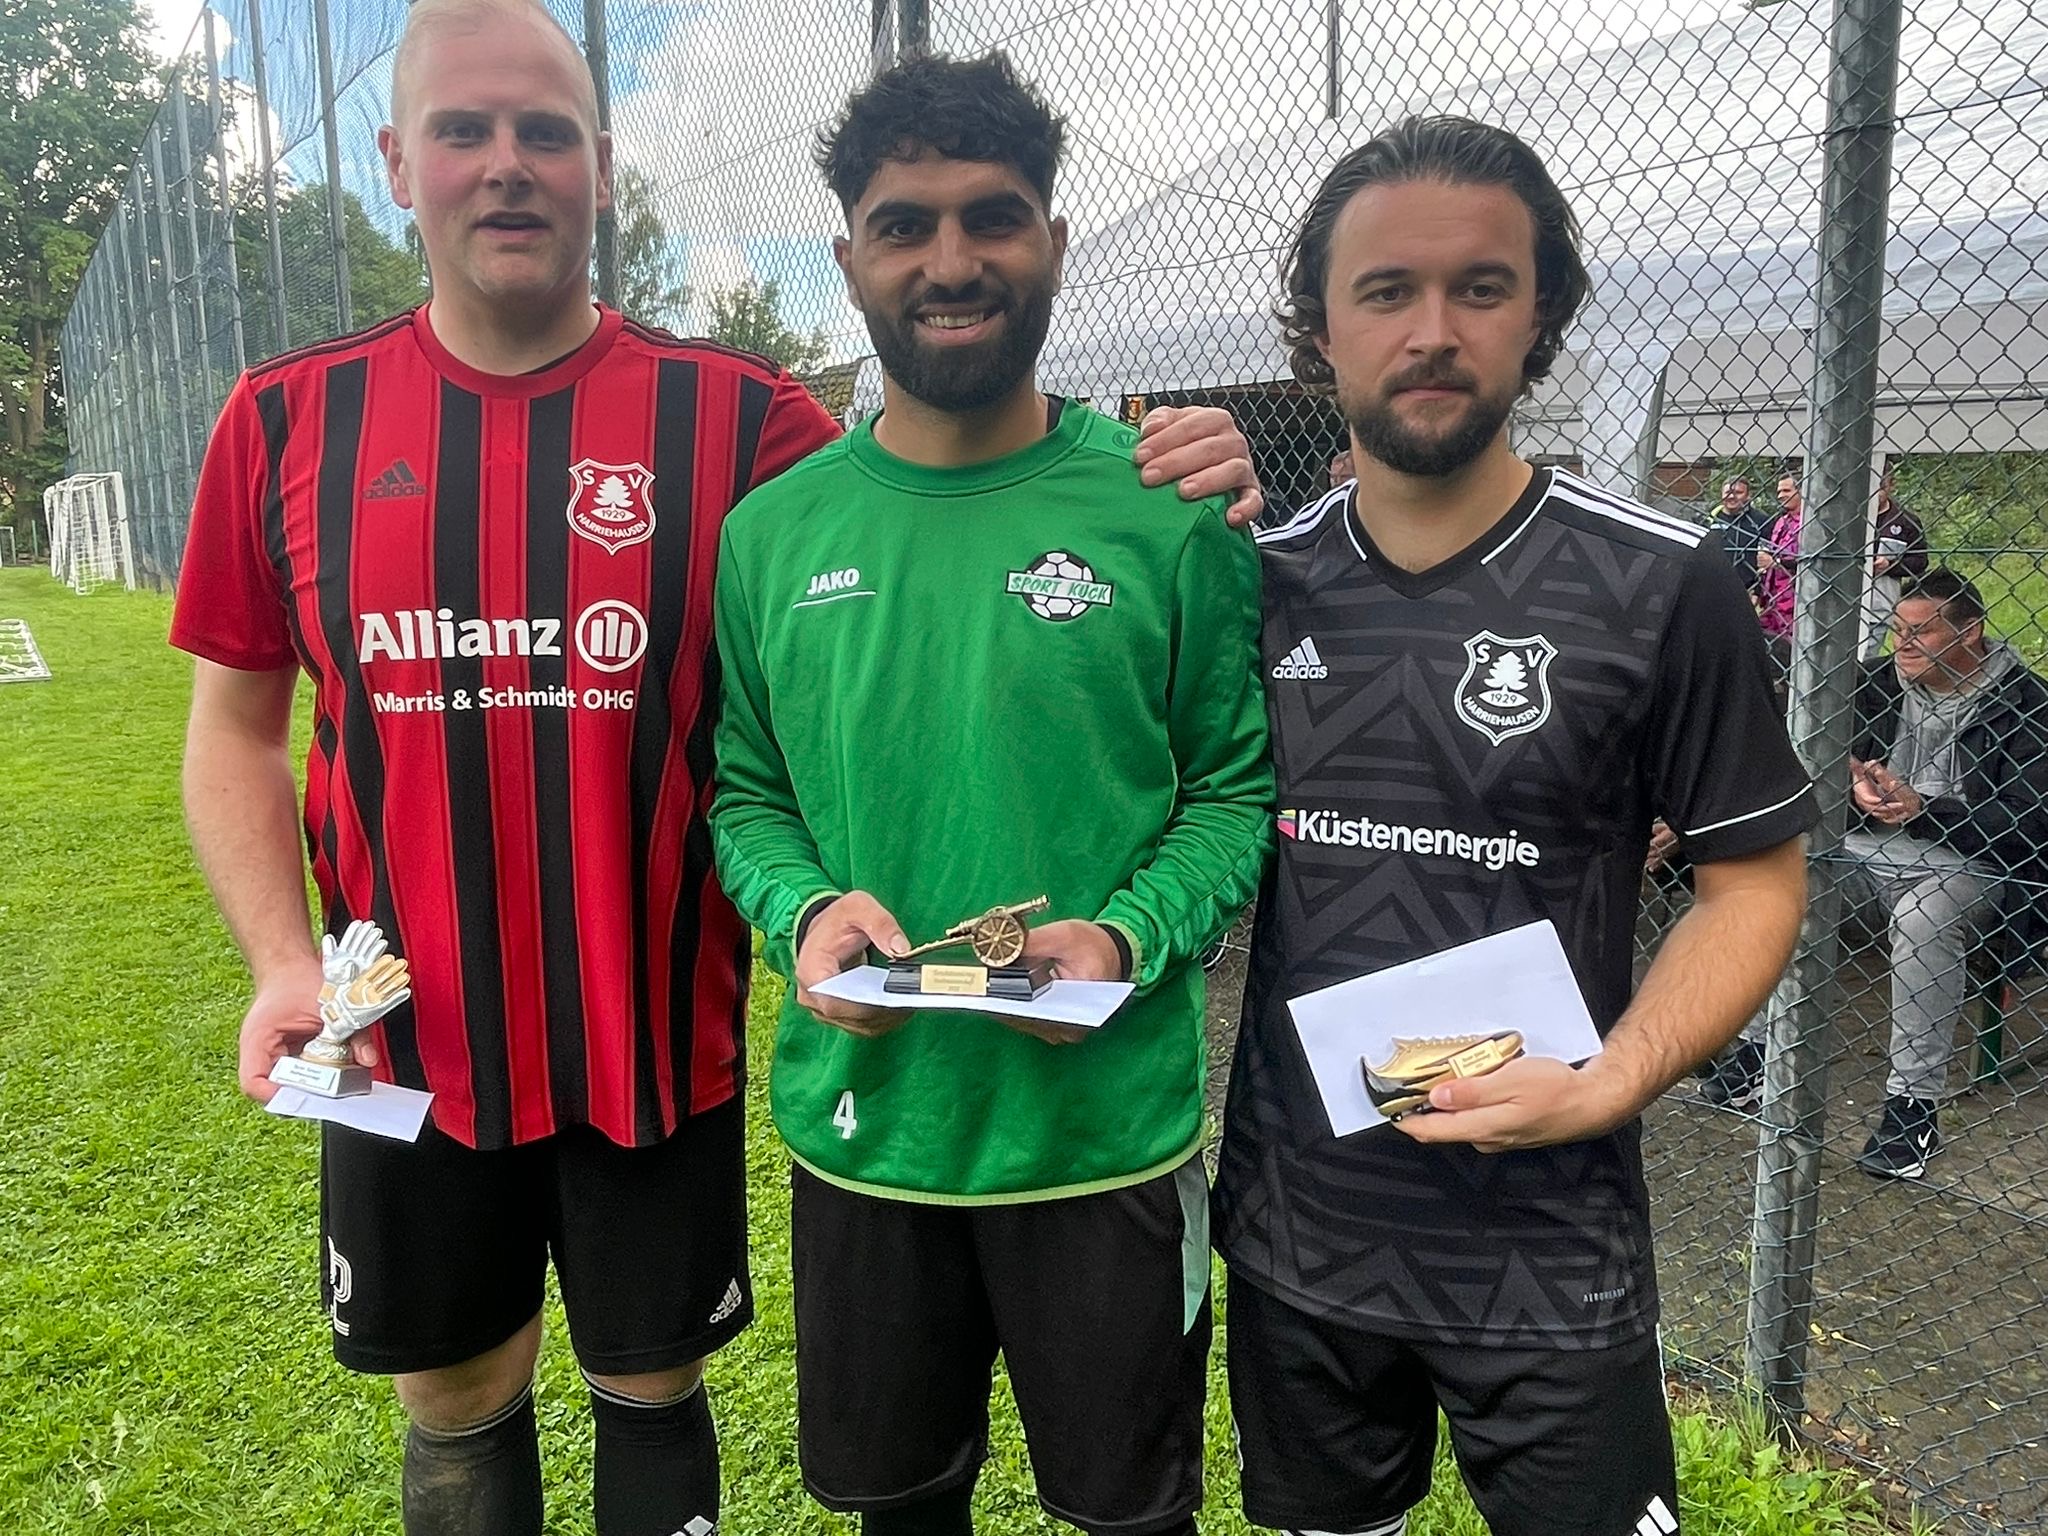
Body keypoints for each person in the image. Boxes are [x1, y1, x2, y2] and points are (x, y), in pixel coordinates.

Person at [167, 4, 1259, 1531]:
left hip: (649, 1037)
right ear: (397, 161)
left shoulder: (746, 424)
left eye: (546, 132)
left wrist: (1192, 461)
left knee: (651, 1379)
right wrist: (283, 964)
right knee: (452, 1398)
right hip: (404, 1034)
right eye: (466, 131)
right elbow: (233, 727)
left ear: (603, 166)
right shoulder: (286, 418)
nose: (507, 164)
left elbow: (936, 476)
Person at [1218, 116, 1815, 1536]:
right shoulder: (1255, 583)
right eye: (1385, 291)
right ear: (1319, 329)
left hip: (1547, 1248)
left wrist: (1613, 1081)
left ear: (1540, 315)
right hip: (1299, 1234)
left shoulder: (1661, 582)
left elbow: (1752, 884)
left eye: (1479, 288)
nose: (1432, 330)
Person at [709, 51, 1273, 1536]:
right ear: (848, 260)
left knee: (1133, 1515)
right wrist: (806, 911)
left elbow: (1231, 794)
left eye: (994, 218)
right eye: (904, 225)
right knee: (901, 1509)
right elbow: (746, 796)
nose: (951, 262)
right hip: (868, 1133)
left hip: (1103, 1138)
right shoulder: (769, 537)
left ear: (1054, 243)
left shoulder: (1168, 511)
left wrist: (1125, 936)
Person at [1703, 569, 2048, 1179]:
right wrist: (1849, 783)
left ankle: (1912, 1110)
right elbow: (1806, 764)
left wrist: (1924, 809)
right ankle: (1759, 1053)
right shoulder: (1872, 683)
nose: (1903, 644)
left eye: (1921, 631)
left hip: (1972, 865)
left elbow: (2028, 824)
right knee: (1786, 872)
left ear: (1971, 632)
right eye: (1896, 630)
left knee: (1926, 914)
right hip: (1865, 851)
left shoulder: (2029, 705)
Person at [1864, 467, 1930, 659]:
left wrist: (1890, 565)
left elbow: (1920, 561)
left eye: (1880, 487)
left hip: (1880, 604)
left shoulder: (1906, 521)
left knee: (1866, 657)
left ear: (1891, 485)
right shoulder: (1848, 518)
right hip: (1844, 601)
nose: (1875, 494)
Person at [1756, 471, 1802, 640]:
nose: (1781, 496)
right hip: (1773, 597)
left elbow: (1808, 559)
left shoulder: (1809, 522)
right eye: (1779, 492)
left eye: (1786, 490)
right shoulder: (1781, 521)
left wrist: (1776, 562)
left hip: (1796, 597)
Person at [1708, 474, 1772, 593]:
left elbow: (1765, 562)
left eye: (1738, 492)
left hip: (1748, 589)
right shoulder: (1709, 520)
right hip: (1713, 586)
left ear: (1748, 496)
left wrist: (1757, 592)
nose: (1732, 496)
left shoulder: (1761, 521)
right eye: (1728, 492)